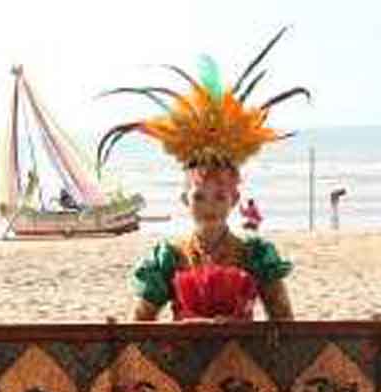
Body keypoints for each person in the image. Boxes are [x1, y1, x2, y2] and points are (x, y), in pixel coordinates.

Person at [98, 28, 306, 322]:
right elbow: (139, 326)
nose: (209, 205)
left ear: (234, 199)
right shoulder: (168, 258)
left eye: (219, 196)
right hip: (181, 365)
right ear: (184, 198)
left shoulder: (256, 256)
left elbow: (285, 323)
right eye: (199, 196)